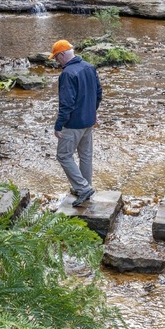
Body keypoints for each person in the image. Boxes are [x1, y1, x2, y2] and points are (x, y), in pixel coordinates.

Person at [51, 39, 102, 207]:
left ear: (63, 54)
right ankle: (85, 186)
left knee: (63, 156)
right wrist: (92, 112)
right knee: (85, 156)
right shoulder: (89, 67)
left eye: (57, 58)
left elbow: (66, 103)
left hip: (73, 124)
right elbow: (98, 93)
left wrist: (59, 126)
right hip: (89, 121)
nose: (57, 62)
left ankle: (82, 187)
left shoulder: (67, 73)